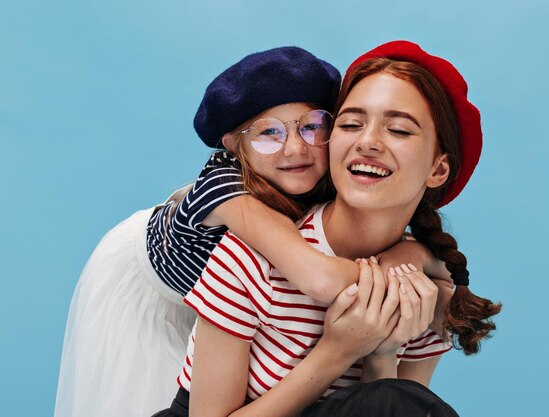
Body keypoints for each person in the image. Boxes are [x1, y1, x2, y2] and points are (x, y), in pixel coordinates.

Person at [55, 46, 448, 417]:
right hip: (146, 281)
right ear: (233, 146)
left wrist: (388, 339)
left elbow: (392, 399)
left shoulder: (322, 182)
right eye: (269, 133)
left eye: (313, 127)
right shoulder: (230, 198)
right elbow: (321, 277)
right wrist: (403, 277)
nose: (295, 149)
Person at [154, 40, 501, 417]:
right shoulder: (255, 249)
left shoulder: (421, 293)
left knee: (394, 401)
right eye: (351, 124)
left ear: (438, 170)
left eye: (399, 130)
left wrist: (382, 353)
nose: (368, 142)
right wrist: (339, 351)